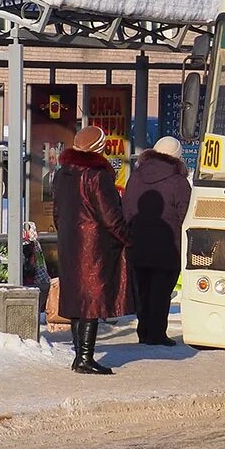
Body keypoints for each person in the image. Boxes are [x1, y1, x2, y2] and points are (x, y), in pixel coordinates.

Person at [54, 125, 134, 375]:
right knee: (91, 300)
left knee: (78, 299)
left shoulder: (62, 173)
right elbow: (110, 216)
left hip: (70, 242)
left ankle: (80, 354)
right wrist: (127, 237)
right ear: (98, 148)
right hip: (94, 246)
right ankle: (85, 358)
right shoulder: (96, 175)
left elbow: (57, 211)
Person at [123, 136, 191, 346]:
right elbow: (186, 214)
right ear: (177, 157)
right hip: (168, 247)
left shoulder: (135, 176)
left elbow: (126, 208)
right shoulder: (178, 182)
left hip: (138, 244)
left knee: (143, 289)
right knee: (161, 292)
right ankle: (157, 334)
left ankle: (144, 331)